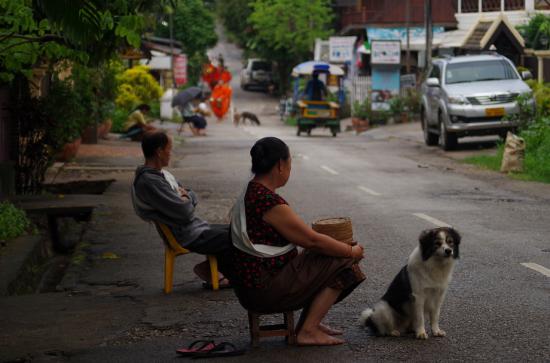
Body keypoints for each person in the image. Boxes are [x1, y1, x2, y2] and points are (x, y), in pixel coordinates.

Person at [229, 137, 365, 346]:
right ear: (281, 165)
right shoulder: (268, 202)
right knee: (343, 262)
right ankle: (308, 331)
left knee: (330, 252)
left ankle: (310, 324)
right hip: (264, 290)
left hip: (253, 284)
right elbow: (312, 241)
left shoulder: (252, 191)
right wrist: (350, 251)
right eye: (290, 162)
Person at [131, 131, 231, 287]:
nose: (171, 154)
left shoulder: (161, 175)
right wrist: (185, 198)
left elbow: (189, 193)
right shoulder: (150, 181)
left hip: (195, 227)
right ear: (159, 151)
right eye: (169, 149)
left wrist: (186, 197)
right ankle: (216, 275)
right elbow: (185, 211)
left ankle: (210, 270)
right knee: (236, 237)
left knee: (238, 230)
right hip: (187, 234)